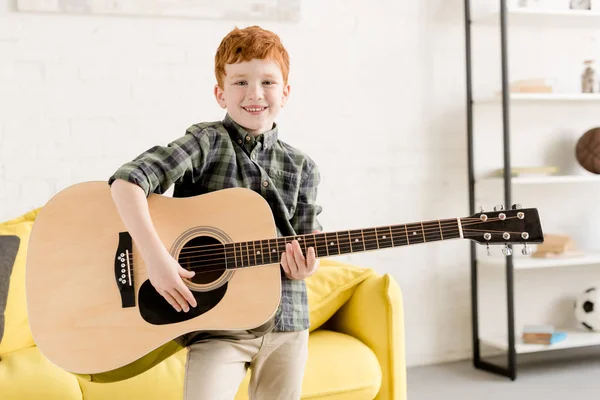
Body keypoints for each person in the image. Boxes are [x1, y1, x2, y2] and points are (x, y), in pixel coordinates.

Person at [108, 25, 323, 400]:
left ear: (285, 93)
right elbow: (127, 182)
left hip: (288, 322)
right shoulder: (205, 143)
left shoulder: (303, 166)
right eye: (240, 82)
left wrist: (308, 265)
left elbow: (310, 240)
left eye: (268, 82)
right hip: (217, 324)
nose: (254, 94)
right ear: (220, 93)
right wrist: (157, 259)